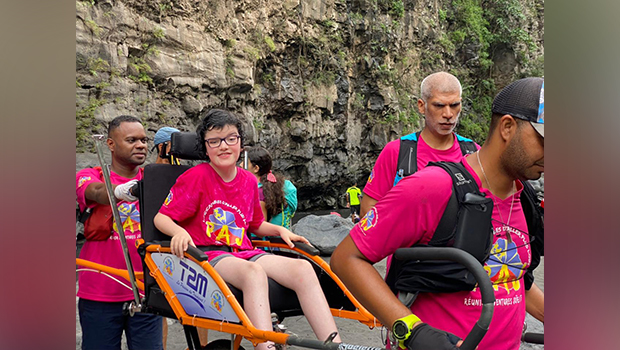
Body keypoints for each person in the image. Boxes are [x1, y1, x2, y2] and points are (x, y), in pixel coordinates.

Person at [331, 77, 544, 350]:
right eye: (543, 139)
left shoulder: (523, 197)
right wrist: (412, 331)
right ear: (507, 127)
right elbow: (346, 257)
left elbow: (512, 280)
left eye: (454, 105)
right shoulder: (431, 186)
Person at [153, 109, 341, 350]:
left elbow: (252, 224)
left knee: (303, 267)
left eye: (231, 138)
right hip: (210, 255)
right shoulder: (196, 177)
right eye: (214, 141)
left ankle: (335, 345)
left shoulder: (249, 180)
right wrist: (179, 232)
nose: (223, 146)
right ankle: (265, 346)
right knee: (253, 273)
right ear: (205, 146)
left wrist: (279, 231)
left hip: (243, 250)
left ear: (240, 143)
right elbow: (162, 218)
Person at [76, 115, 163, 350]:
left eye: (144, 140)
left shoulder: (153, 180)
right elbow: (95, 192)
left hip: (146, 291)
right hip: (99, 292)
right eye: (132, 140)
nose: (141, 145)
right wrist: (123, 191)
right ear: (111, 144)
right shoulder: (91, 175)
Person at [360, 72, 480, 218]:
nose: (448, 114)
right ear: (422, 106)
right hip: (406, 240)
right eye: (439, 105)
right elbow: (369, 208)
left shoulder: (474, 153)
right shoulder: (397, 152)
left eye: (454, 105)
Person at [245, 146, 298, 229]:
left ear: (256, 168)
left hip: (264, 239)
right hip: (284, 234)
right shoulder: (284, 185)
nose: (241, 165)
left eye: (245, 163)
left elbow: (259, 226)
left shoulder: (257, 191)